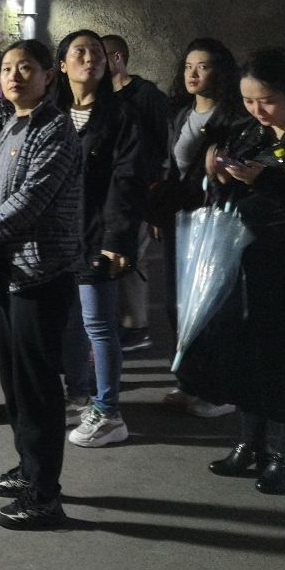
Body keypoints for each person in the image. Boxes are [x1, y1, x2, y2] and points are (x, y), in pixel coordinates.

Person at [182, 47, 285, 494]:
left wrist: (267, 179)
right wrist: (216, 173)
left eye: (267, 100)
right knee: (245, 354)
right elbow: (221, 191)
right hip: (243, 262)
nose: (257, 110)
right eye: (249, 100)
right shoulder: (247, 132)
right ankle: (249, 444)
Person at [0, 38, 83, 530]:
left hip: (40, 272)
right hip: (6, 271)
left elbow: (32, 198)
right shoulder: (9, 125)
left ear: (48, 76)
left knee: (37, 387)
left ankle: (45, 496)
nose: (14, 76)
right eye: (9, 68)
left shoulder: (57, 129)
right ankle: (28, 468)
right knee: (14, 381)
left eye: (26, 68)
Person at [54, 30, 145, 448]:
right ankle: (78, 393)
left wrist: (117, 239)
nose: (90, 58)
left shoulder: (120, 115)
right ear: (62, 65)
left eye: (97, 53)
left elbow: (128, 181)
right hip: (58, 236)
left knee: (99, 325)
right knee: (70, 321)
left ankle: (109, 412)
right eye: (80, 51)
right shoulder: (54, 114)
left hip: (96, 235)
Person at [153, 37, 245, 417]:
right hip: (181, 217)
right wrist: (159, 212)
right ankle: (190, 382)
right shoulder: (180, 113)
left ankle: (218, 393)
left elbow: (242, 170)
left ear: (220, 72)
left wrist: (223, 167)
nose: (193, 73)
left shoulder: (235, 117)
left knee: (212, 306)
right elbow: (171, 168)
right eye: (189, 66)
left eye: (203, 66)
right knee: (179, 303)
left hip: (216, 219)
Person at [101, 33, 169, 353]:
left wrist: (157, 192)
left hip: (141, 187)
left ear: (117, 57)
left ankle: (136, 326)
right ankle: (121, 321)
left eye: (100, 56)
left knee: (133, 256)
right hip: (110, 190)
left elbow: (162, 142)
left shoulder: (146, 95)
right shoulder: (102, 96)